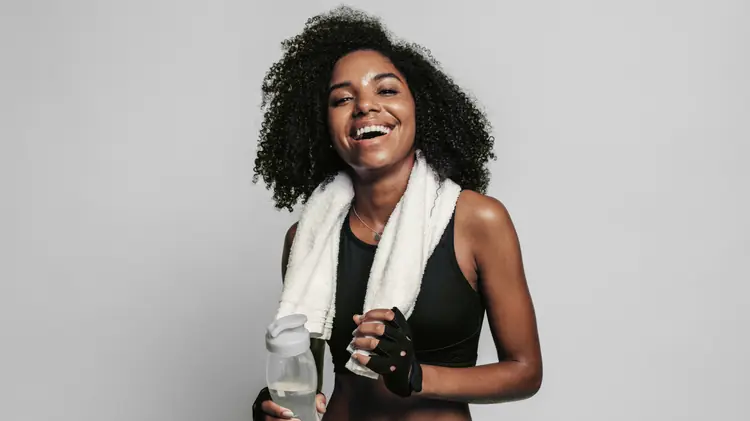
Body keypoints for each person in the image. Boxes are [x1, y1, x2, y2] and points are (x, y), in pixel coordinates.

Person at [251, 6, 542, 421]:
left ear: (419, 107)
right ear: (322, 125)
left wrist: (417, 376)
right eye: (342, 99)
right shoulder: (306, 239)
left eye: (386, 91)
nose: (365, 107)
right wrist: (276, 407)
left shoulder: (478, 221)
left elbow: (525, 372)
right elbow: (306, 383)